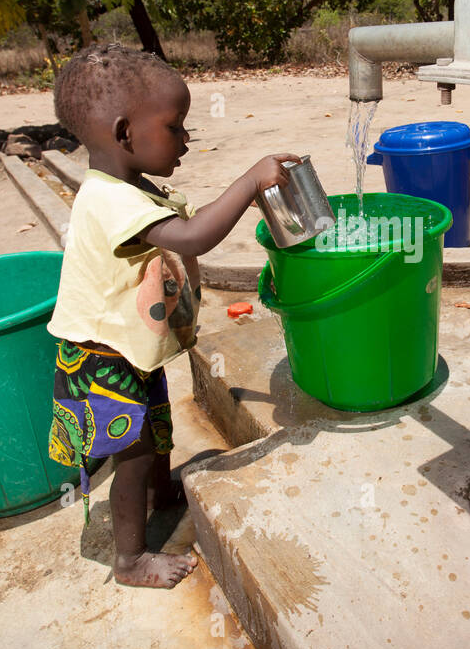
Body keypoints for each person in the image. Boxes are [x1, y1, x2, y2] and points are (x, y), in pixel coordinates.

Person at [47, 42, 300, 588]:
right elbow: (195, 236)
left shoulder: (128, 185)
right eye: (175, 126)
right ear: (123, 133)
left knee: (155, 434)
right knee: (133, 457)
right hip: (101, 360)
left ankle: (161, 495)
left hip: (129, 351)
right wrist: (251, 182)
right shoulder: (108, 201)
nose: (186, 138)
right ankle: (130, 560)